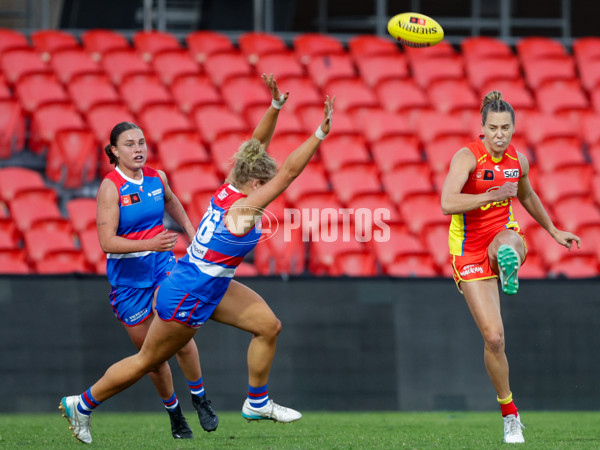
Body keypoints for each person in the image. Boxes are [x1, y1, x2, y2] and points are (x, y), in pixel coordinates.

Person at [59, 73, 334, 444]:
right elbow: (287, 173)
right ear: (255, 186)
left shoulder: (231, 186)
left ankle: (257, 401)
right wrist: (319, 134)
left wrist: (276, 107)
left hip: (206, 281)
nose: (266, 187)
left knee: (268, 326)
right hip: (189, 291)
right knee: (147, 362)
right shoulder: (245, 208)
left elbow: (254, 147)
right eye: (262, 183)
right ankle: (83, 404)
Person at [440, 91, 581, 444]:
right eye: (493, 128)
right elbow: (447, 202)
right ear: (482, 129)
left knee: (509, 241)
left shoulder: (518, 160)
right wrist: (489, 195)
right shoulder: (466, 157)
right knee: (494, 338)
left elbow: (526, 195)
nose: (500, 134)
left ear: (514, 128)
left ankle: (509, 263)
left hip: (501, 234)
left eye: (506, 128)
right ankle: (510, 413)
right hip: (468, 251)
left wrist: (553, 230)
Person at [69, 121, 219, 442]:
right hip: (128, 286)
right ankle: (175, 414)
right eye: (129, 144)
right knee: (152, 359)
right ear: (114, 151)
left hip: (163, 268)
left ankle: (200, 399)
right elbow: (107, 242)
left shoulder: (156, 177)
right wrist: (148, 244)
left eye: (141, 143)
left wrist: (193, 235)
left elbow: (172, 202)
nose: (138, 149)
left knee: (179, 331)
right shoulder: (111, 188)